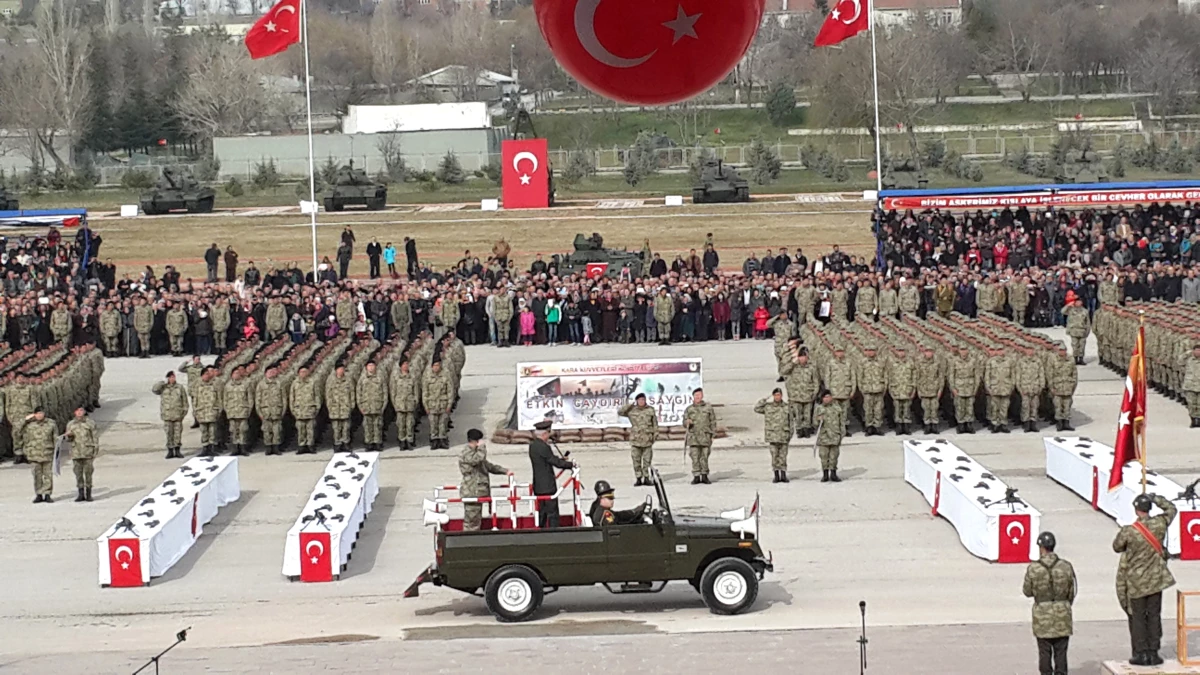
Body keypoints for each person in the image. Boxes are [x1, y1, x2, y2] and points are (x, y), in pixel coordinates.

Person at [1114, 493, 1177, 666]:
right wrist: (1155, 498)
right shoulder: (1159, 524)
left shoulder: (1129, 531)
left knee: (1139, 618)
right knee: (1155, 616)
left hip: (1136, 582)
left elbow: (1117, 546)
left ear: (1136, 510)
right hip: (1156, 580)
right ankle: (1154, 651)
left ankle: (1141, 653)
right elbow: (1171, 509)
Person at [1022, 531, 1076, 675]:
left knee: (1044, 652)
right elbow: (1072, 592)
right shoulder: (1066, 566)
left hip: (1042, 616)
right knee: (1061, 653)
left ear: (1041, 548)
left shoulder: (1034, 568)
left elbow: (1027, 591)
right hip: (1062, 613)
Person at [459, 428, 512, 531]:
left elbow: (488, 466)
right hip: (471, 491)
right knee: (472, 521)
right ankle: (468, 541)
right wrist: (482, 447)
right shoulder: (467, 453)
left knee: (476, 520)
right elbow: (477, 460)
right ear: (475, 441)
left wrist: (505, 471)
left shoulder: (476, 453)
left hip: (478, 491)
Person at [529, 419, 573, 529]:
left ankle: (542, 531)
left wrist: (561, 459)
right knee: (552, 513)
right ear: (544, 433)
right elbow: (554, 462)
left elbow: (546, 459)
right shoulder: (544, 447)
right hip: (547, 486)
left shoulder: (533, 446)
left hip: (538, 485)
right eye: (548, 433)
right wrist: (571, 465)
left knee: (542, 512)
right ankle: (554, 533)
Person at [617, 393, 658, 486]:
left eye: (643, 400)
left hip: (647, 439)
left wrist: (655, 435)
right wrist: (630, 405)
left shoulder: (650, 410)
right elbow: (620, 412)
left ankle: (647, 478)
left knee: (647, 460)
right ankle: (638, 478)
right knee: (636, 460)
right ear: (636, 401)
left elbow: (655, 423)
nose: (641, 401)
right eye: (639, 400)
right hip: (635, 440)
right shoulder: (632, 410)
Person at [754, 388, 791, 483]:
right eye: (775, 395)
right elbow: (757, 408)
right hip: (772, 436)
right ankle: (776, 475)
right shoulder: (768, 407)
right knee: (774, 456)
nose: (777, 397)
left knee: (783, 456)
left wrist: (790, 435)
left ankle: (783, 475)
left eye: (779, 395)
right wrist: (764, 399)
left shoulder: (787, 407)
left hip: (783, 435)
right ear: (773, 396)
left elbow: (791, 422)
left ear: (781, 396)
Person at [23, 408, 58, 503]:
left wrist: (56, 451)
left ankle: (47, 494)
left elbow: (55, 438)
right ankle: (38, 494)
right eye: (37, 414)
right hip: (34, 454)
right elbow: (20, 433)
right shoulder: (30, 425)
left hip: (47, 452)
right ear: (34, 415)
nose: (39, 415)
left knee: (48, 475)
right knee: (37, 475)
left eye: (41, 413)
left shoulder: (51, 424)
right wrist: (26, 420)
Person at [683, 388, 717, 485]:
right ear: (693, 396)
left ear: (702, 396)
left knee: (704, 456)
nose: (698, 397)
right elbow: (684, 422)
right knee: (695, 457)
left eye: (699, 395)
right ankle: (696, 476)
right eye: (696, 395)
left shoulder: (708, 408)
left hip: (705, 436)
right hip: (694, 437)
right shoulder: (689, 409)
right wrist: (687, 422)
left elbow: (713, 422)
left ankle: (704, 475)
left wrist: (713, 435)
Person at [65, 406, 99, 502]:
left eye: (81, 410)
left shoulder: (90, 423)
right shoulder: (71, 424)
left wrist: (95, 450)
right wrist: (69, 436)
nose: (79, 412)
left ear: (84, 412)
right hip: (76, 452)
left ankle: (88, 493)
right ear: (75, 412)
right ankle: (80, 493)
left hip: (87, 451)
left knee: (88, 473)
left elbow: (95, 437)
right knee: (78, 473)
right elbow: (68, 439)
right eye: (77, 411)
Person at [152, 371, 189, 459]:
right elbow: (155, 390)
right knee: (169, 433)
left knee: (177, 434)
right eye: (170, 377)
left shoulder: (179, 387)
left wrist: (183, 413)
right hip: (167, 415)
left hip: (177, 415)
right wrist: (162, 382)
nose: (172, 379)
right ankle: (170, 451)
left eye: (173, 377)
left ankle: (177, 450)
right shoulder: (163, 388)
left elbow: (185, 401)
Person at [814, 391, 845, 482]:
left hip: (835, 435)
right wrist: (818, 420)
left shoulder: (837, 408)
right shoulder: (819, 408)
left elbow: (842, 423)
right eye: (825, 397)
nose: (827, 399)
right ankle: (825, 474)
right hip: (824, 436)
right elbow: (814, 423)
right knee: (824, 456)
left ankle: (833, 474)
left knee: (834, 456)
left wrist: (841, 434)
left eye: (828, 397)